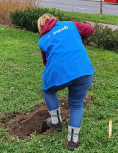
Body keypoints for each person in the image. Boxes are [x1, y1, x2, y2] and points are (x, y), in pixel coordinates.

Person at [38, 13, 94, 151]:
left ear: (41, 26)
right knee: (76, 105)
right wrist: (76, 41)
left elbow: (46, 61)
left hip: (59, 72)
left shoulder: (43, 39)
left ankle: (56, 121)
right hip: (83, 70)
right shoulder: (70, 24)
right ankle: (73, 141)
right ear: (53, 19)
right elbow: (90, 29)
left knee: (48, 90)